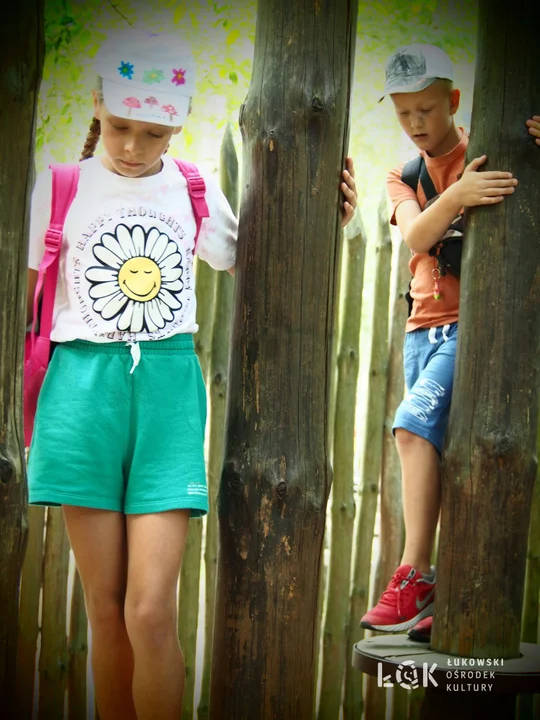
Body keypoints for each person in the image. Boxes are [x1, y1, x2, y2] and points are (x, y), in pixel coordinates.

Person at [26, 29, 358, 719]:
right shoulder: (59, 187)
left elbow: (264, 256)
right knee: (106, 607)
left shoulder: (192, 190)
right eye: (120, 128)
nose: (131, 147)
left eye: (153, 133)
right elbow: (25, 290)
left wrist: (329, 209)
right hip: (81, 389)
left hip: (170, 391)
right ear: (98, 106)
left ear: (175, 127)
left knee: (150, 611)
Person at [360, 43, 540, 642]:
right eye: (405, 113)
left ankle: (413, 571)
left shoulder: (489, 149)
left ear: (453, 101)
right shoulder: (404, 174)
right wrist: (457, 196)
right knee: (449, 460)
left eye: (428, 110)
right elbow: (415, 236)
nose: (416, 124)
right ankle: (452, 592)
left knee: (410, 426)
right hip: (421, 334)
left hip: (476, 327)